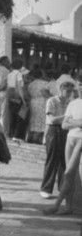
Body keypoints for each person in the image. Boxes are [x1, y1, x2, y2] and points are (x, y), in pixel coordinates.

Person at [44, 78, 82, 216]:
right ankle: (68, 206)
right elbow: (64, 124)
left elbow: (68, 121)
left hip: (80, 139)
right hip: (71, 138)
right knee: (68, 174)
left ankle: (57, 205)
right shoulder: (73, 103)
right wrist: (78, 123)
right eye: (80, 86)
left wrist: (73, 121)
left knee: (70, 173)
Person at [39, 81, 74, 199]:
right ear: (61, 89)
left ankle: (62, 188)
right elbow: (52, 119)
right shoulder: (52, 101)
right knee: (52, 160)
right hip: (53, 131)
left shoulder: (70, 103)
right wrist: (67, 116)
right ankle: (46, 188)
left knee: (64, 161)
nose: (69, 94)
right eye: (67, 91)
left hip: (66, 130)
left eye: (71, 92)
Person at [26, 68, 50, 144]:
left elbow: (28, 94)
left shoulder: (30, 84)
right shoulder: (45, 83)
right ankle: (40, 138)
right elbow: (46, 94)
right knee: (42, 120)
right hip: (42, 102)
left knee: (33, 119)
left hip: (33, 102)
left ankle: (32, 136)